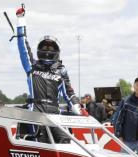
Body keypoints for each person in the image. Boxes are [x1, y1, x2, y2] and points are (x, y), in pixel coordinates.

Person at [15, 5, 86, 143]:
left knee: (66, 142)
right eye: (45, 46)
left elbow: (69, 94)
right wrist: (21, 21)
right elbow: (23, 46)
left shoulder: (61, 70)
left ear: (57, 50)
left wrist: (78, 108)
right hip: (35, 113)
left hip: (56, 114)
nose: (48, 49)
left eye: (51, 47)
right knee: (40, 146)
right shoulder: (31, 66)